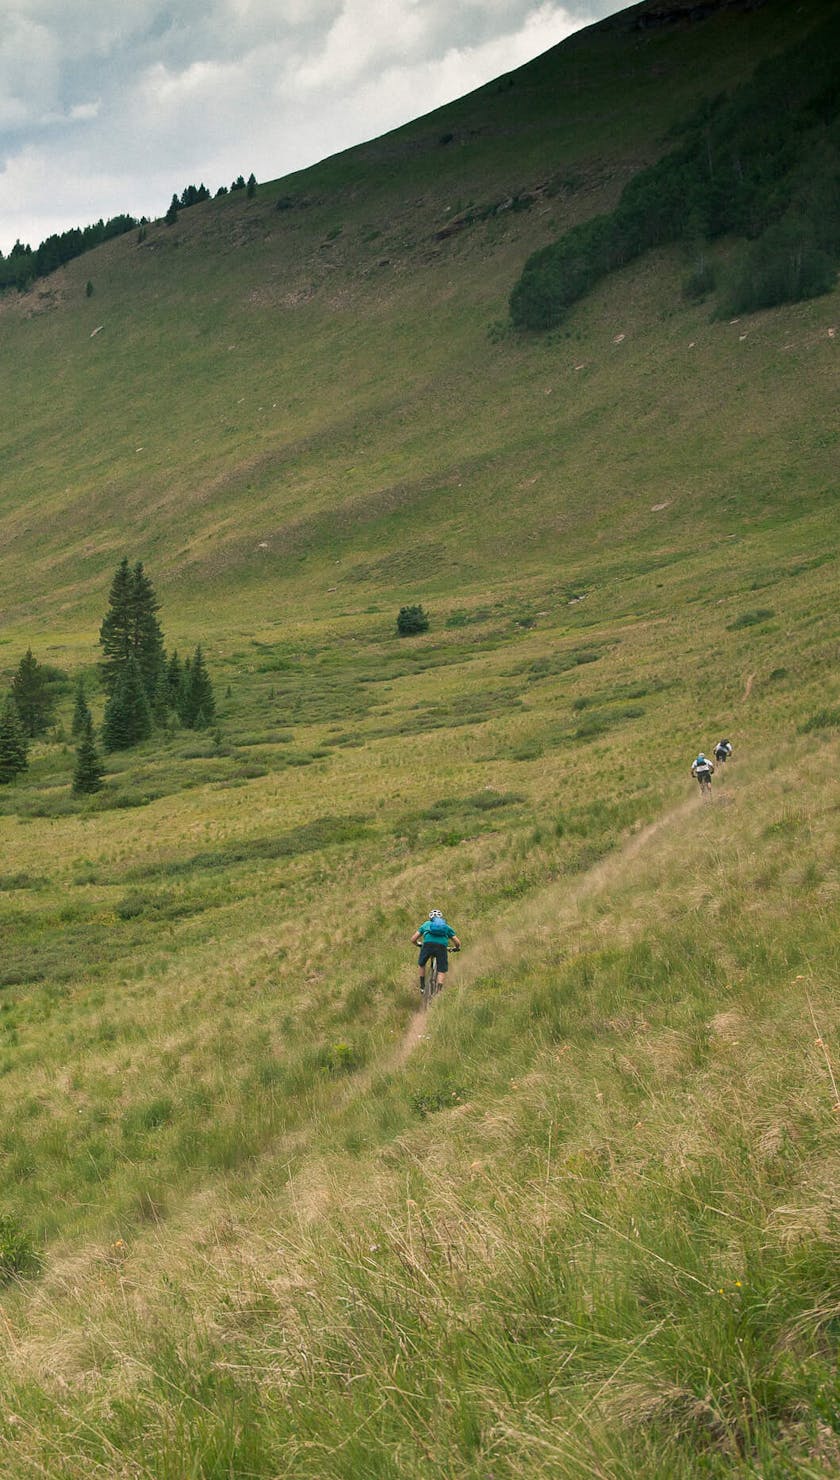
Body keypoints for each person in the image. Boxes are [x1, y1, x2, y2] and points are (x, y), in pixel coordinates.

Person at [411, 909, 461, 996]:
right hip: (441, 947)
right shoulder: (446, 927)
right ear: (441, 918)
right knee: (441, 970)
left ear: (430, 918)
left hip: (427, 945)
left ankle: (422, 986)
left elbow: (413, 939)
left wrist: (418, 944)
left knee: (422, 964)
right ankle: (438, 992)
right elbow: (457, 942)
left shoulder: (426, 924)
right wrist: (456, 948)